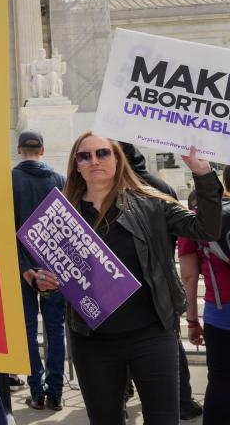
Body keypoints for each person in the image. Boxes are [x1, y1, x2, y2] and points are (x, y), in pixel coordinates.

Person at [34, 132, 222, 425]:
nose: (94, 161)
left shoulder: (151, 204)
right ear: (76, 165)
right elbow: (57, 274)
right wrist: (44, 283)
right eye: (85, 156)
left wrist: (202, 174)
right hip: (91, 340)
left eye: (103, 153)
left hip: (151, 334)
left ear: (118, 159)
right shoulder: (61, 214)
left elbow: (207, 229)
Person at [119, 142, 202, 420]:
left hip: (127, 286)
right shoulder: (159, 186)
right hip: (161, 280)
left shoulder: (121, 188)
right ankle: (183, 400)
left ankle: (124, 395)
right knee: (170, 347)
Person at [11, 130, 66, 411]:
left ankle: (37, 390)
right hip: (55, 268)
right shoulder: (58, 180)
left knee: (28, 330)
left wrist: (24, 269)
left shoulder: (10, 180)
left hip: (22, 269)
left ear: (20, 149)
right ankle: (56, 392)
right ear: (42, 150)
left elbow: (7, 230)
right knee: (56, 330)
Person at [179, 173, 230, 425]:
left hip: (220, 314)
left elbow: (188, 277)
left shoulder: (199, 220)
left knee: (220, 379)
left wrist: (191, 321)